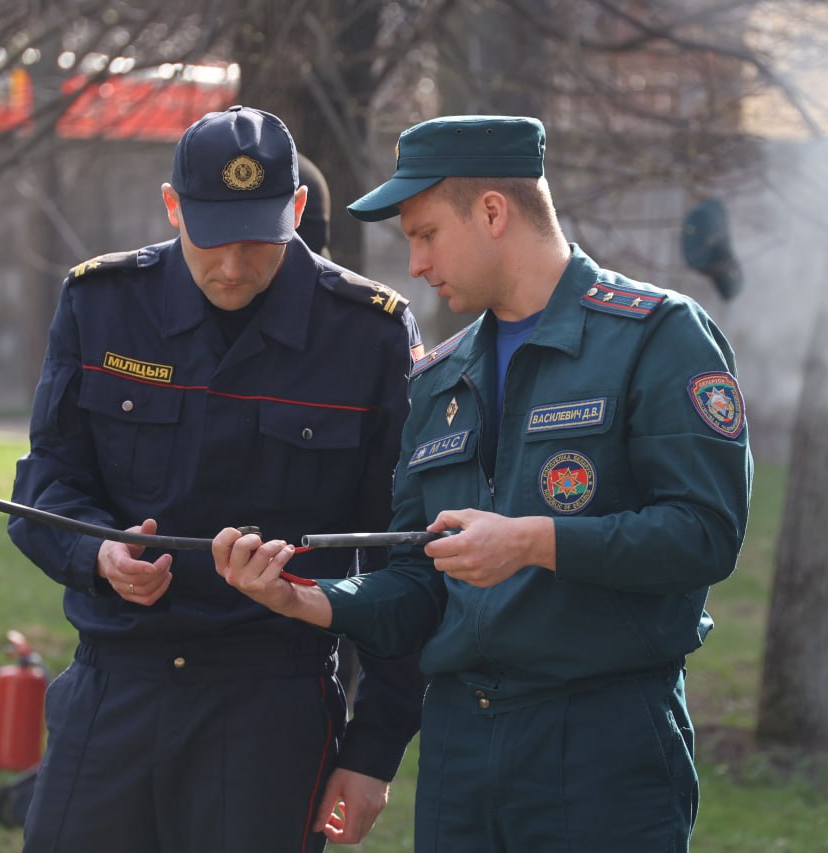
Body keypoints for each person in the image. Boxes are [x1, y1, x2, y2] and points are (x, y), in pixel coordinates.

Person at [212, 115, 754, 852]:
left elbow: (705, 534)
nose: (415, 262)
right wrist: (306, 599)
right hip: (461, 747)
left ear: (493, 212)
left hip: (601, 736)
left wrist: (535, 541)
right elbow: (415, 577)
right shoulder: (440, 377)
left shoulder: (655, 338)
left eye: (426, 233)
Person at [8, 104, 424, 852]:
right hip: (116, 684)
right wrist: (97, 555)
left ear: (298, 209)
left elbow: (401, 557)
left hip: (270, 701)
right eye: (210, 239)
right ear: (172, 207)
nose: (232, 267)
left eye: (257, 242)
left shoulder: (368, 335)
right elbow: (46, 488)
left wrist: (371, 753)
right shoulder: (101, 305)